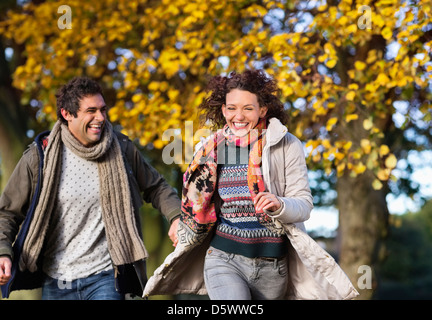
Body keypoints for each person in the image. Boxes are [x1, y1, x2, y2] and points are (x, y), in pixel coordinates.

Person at [143, 69, 359, 300]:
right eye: (232, 108)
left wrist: (280, 205)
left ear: (262, 110)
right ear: (224, 109)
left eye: (248, 108)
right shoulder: (210, 149)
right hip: (223, 258)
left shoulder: (286, 145)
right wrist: (182, 222)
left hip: (272, 266)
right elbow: (196, 203)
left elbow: (304, 204)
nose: (239, 116)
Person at [0, 77, 180, 300]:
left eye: (103, 110)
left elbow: (157, 187)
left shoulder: (121, 149)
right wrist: (3, 252)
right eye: (91, 111)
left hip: (105, 276)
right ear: (67, 114)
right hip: (57, 280)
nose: (101, 118)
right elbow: (8, 212)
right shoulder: (40, 157)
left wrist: (175, 216)